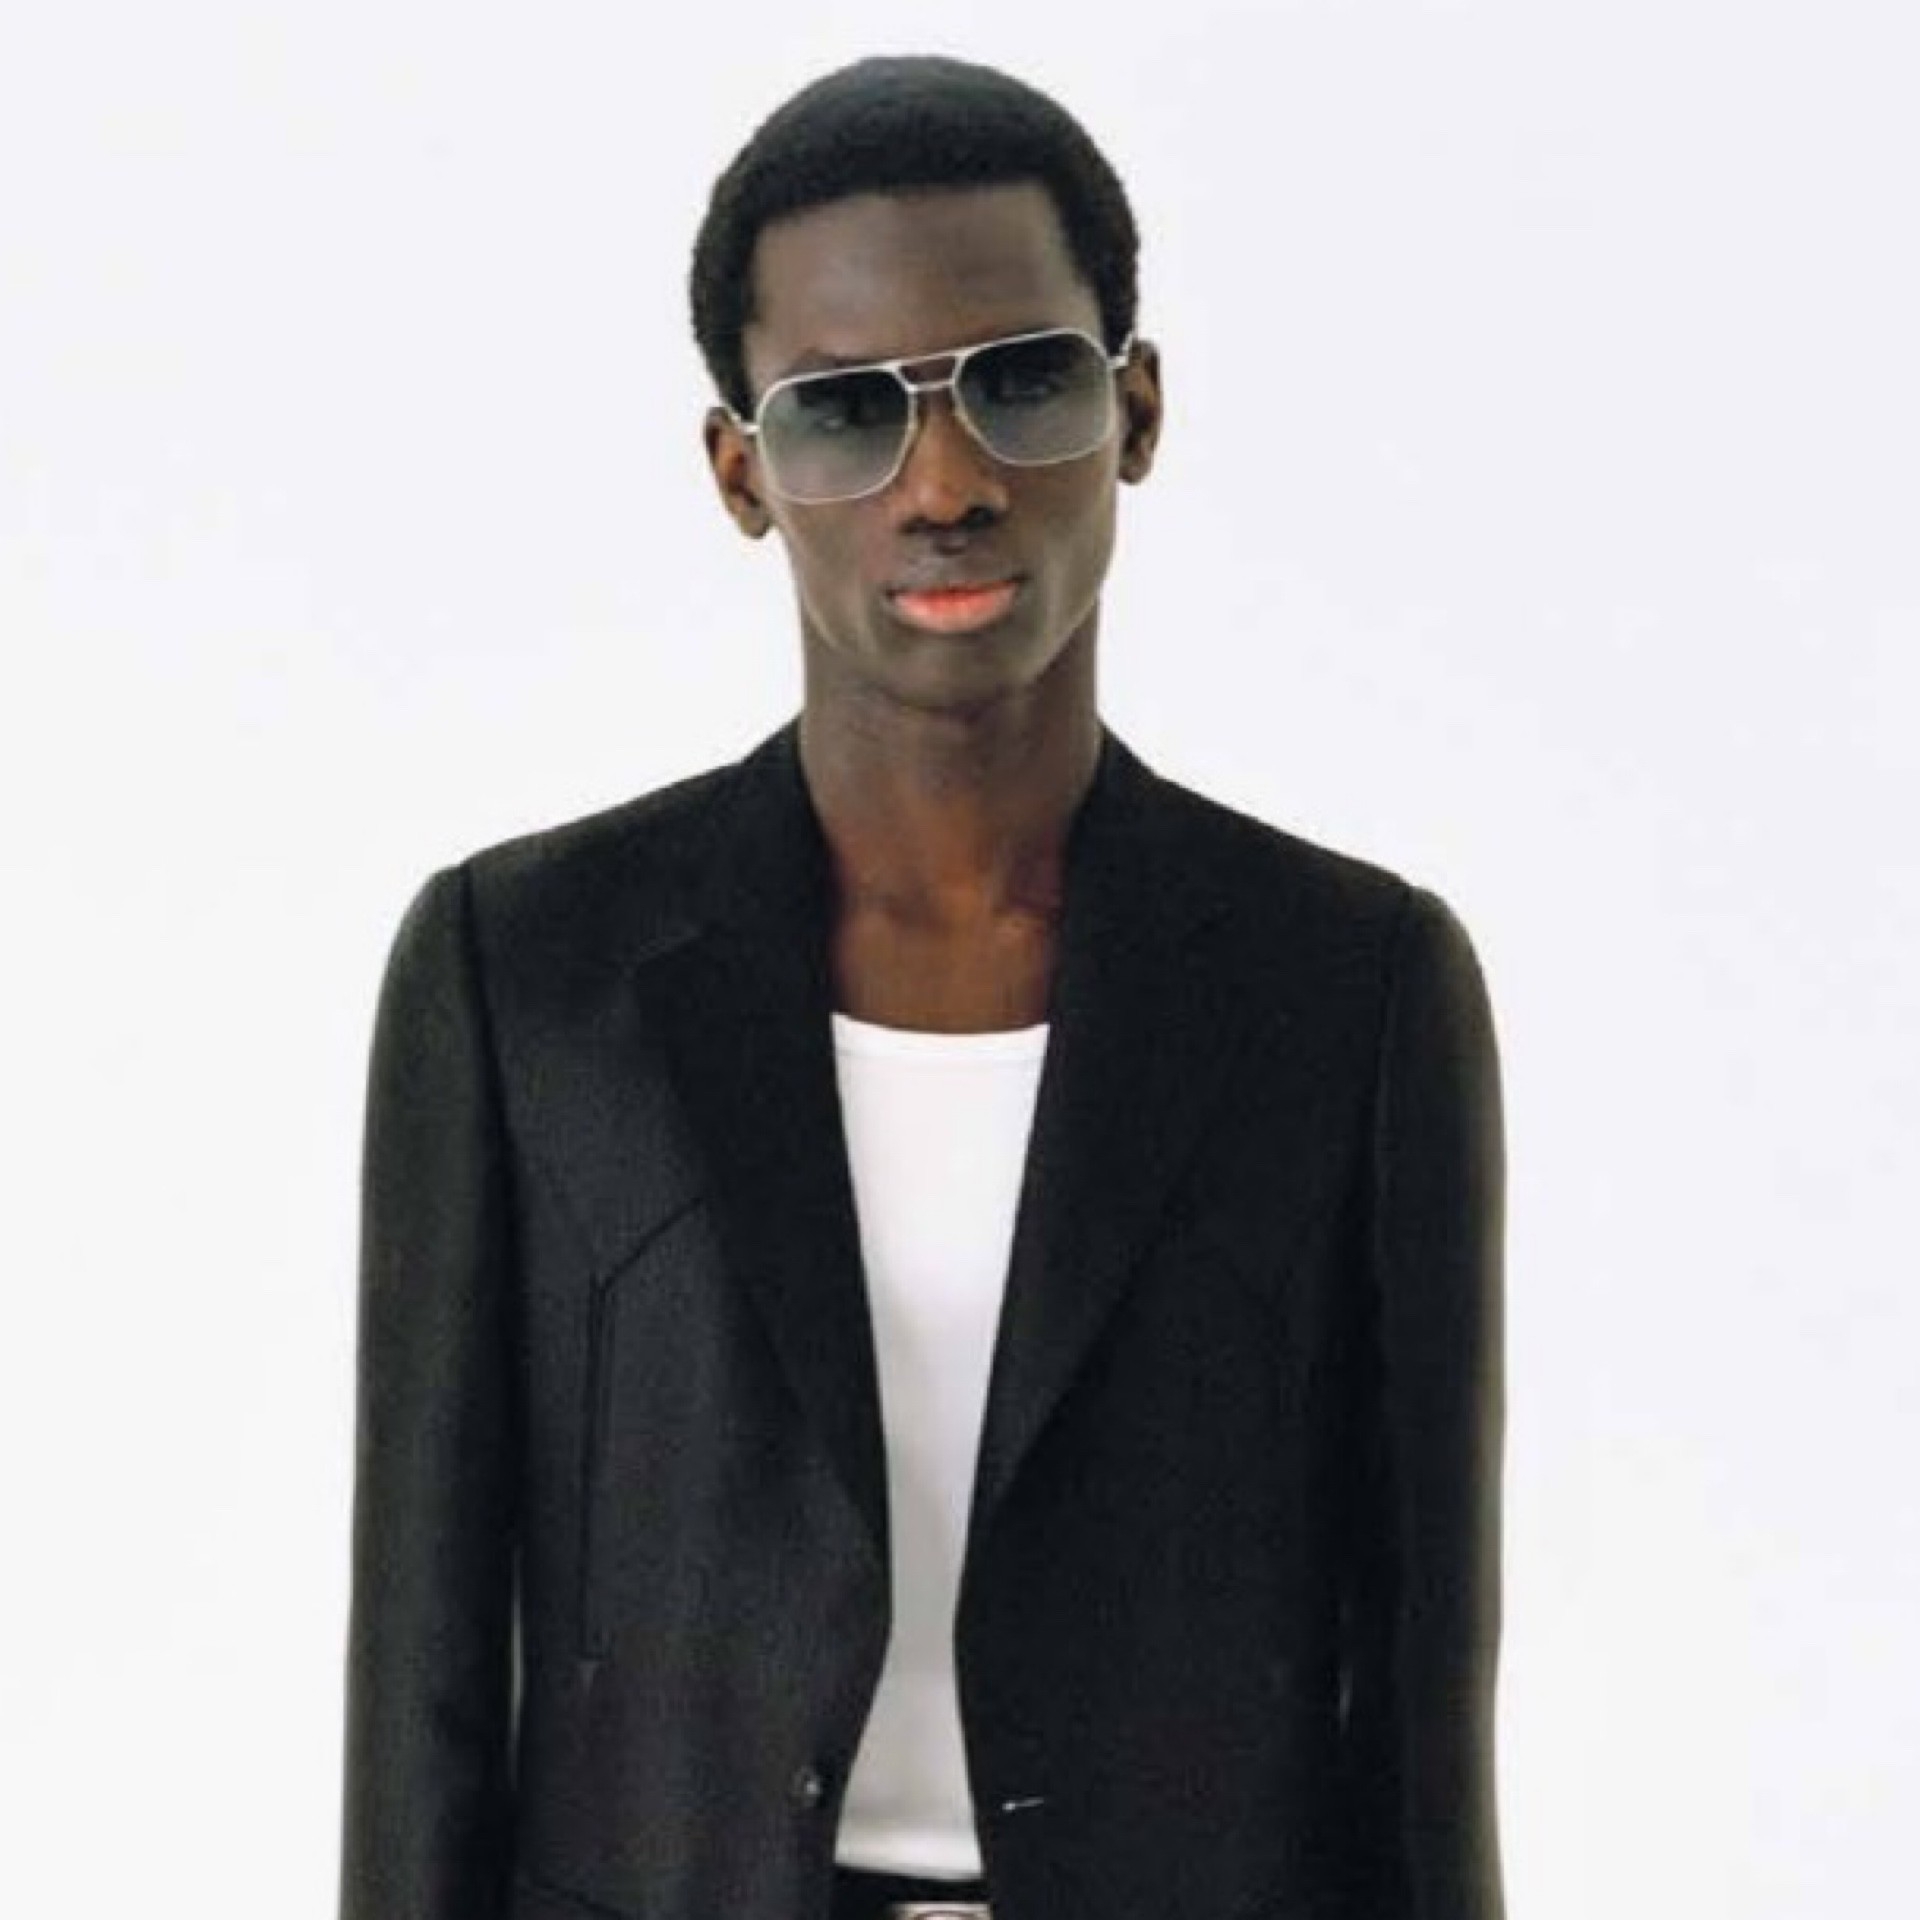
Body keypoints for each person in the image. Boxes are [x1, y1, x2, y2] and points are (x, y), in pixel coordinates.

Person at [338, 54, 1506, 1920]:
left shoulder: (1353, 992)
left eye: (1021, 382)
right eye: (843, 411)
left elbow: (1424, 1723)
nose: (944, 484)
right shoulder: (524, 977)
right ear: (741, 472)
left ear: (1134, 410)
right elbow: (424, 1690)